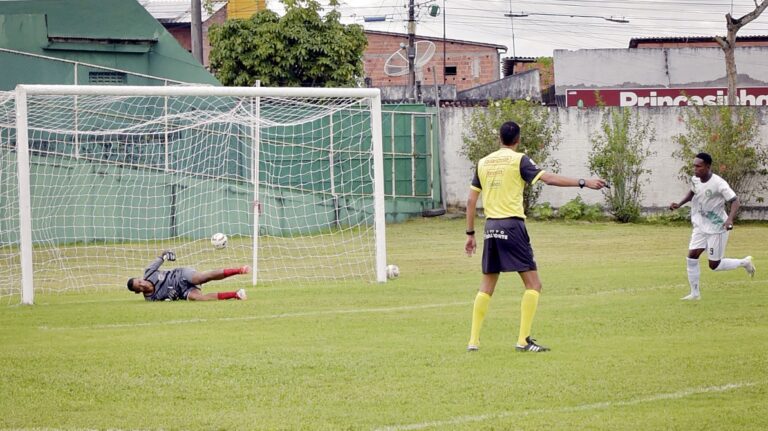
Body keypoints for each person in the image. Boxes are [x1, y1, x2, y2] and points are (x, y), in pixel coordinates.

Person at [465, 121, 607, 353]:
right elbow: (548, 179)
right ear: (518, 140)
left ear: (499, 138)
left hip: (490, 228)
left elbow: (471, 201)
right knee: (533, 284)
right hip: (512, 226)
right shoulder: (519, 160)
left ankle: (473, 341)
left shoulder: (483, 162)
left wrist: (470, 234)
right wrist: (584, 182)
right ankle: (523, 341)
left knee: (487, 286)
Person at [669, 152, 755, 301]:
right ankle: (695, 294)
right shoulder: (695, 179)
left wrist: (729, 219)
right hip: (700, 225)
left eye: (699, 166)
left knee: (714, 265)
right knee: (691, 257)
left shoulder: (719, 183)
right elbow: (692, 193)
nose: (695, 169)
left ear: (708, 166)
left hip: (717, 227)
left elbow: (735, 201)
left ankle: (744, 262)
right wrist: (679, 204)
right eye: (694, 166)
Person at [126, 250, 250, 301]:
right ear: (138, 292)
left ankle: (239, 270)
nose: (142, 284)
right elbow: (166, 301)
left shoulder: (149, 272)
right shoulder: (151, 298)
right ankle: (236, 294)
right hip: (183, 291)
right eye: (139, 287)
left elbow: (163, 255)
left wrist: (168, 255)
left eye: (140, 281)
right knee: (200, 298)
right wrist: (172, 298)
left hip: (181, 275)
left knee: (201, 278)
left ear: (140, 278)